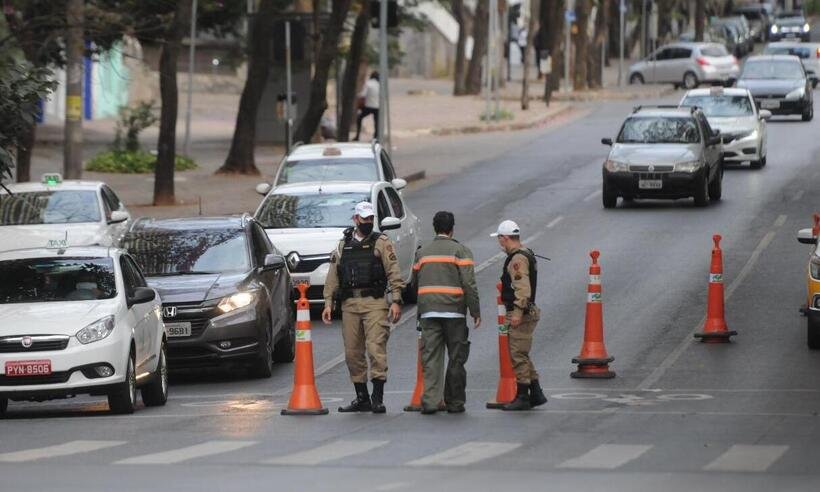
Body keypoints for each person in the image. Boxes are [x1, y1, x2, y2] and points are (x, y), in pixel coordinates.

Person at [322, 201, 404, 413]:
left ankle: (377, 397)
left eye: (370, 219)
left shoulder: (381, 242)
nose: (368, 222)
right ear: (355, 219)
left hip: (374, 303)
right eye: (364, 219)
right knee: (352, 352)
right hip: (349, 304)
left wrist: (396, 300)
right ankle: (362, 397)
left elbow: (394, 271)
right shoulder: (343, 245)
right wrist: (328, 302)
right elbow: (333, 275)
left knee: (376, 348)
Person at [412, 211, 481, 414]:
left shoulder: (422, 252)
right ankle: (454, 402)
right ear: (452, 228)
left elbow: (415, 282)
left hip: (429, 313)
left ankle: (431, 402)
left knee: (431, 358)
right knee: (456, 358)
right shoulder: (461, 251)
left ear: (435, 228)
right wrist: (475, 311)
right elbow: (469, 284)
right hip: (454, 313)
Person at [491, 220, 548, 411]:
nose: (499, 243)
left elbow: (523, 288)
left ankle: (523, 396)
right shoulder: (525, 253)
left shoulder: (517, 260)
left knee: (517, 355)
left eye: (500, 239)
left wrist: (516, 312)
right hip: (525, 311)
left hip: (521, 313)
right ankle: (536, 392)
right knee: (522, 353)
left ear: (505, 238)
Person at [355, 71, 380, 141]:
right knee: (377, 123)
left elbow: (363, 95)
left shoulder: (368, 83)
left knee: (359, 118)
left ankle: (357, 136)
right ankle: (375, 138)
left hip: (368, 106)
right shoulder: (379, 84)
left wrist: (358, 95)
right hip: (377, 107)